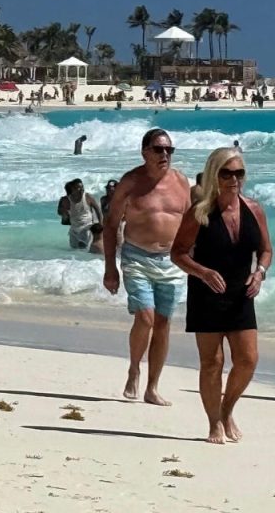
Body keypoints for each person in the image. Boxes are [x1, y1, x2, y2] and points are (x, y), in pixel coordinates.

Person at [171, 147, 272, 444]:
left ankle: (226, 410)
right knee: (212, 362)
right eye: (226, 173)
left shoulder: (254, 209)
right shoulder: (200, 212)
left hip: (242, 292)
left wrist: (260, 272)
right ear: (215, 174)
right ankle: (214, 423)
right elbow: (177, 253)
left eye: (238, 173)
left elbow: (266, 250)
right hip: (207, 293)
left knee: (248, 360)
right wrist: (202, 272)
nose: (233, 179)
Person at [102, 128, 191, 405]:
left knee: (163, 324)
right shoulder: (130, 183)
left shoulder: (181, 182)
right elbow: (111, 225)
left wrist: (196, 263)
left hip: (172, 261)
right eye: (158, 149)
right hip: (136, 257)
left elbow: (190, 224)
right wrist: (110, 268)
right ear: (145, 152)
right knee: (145, 318)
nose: (165, 154)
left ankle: (152, 388)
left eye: (169, 150)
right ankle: (134, 369)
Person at [57, 178, 104, 252]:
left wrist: (101, 223)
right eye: (79, 187)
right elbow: (59, 211)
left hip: (87, 227)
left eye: (82, 187)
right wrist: (64, 213)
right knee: (74, 250)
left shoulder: (87, 197)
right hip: (74, 228)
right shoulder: (66, 200)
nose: (82, 189)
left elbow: (98, 210)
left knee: (84, 249)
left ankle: (87, 263)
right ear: (73, 189)